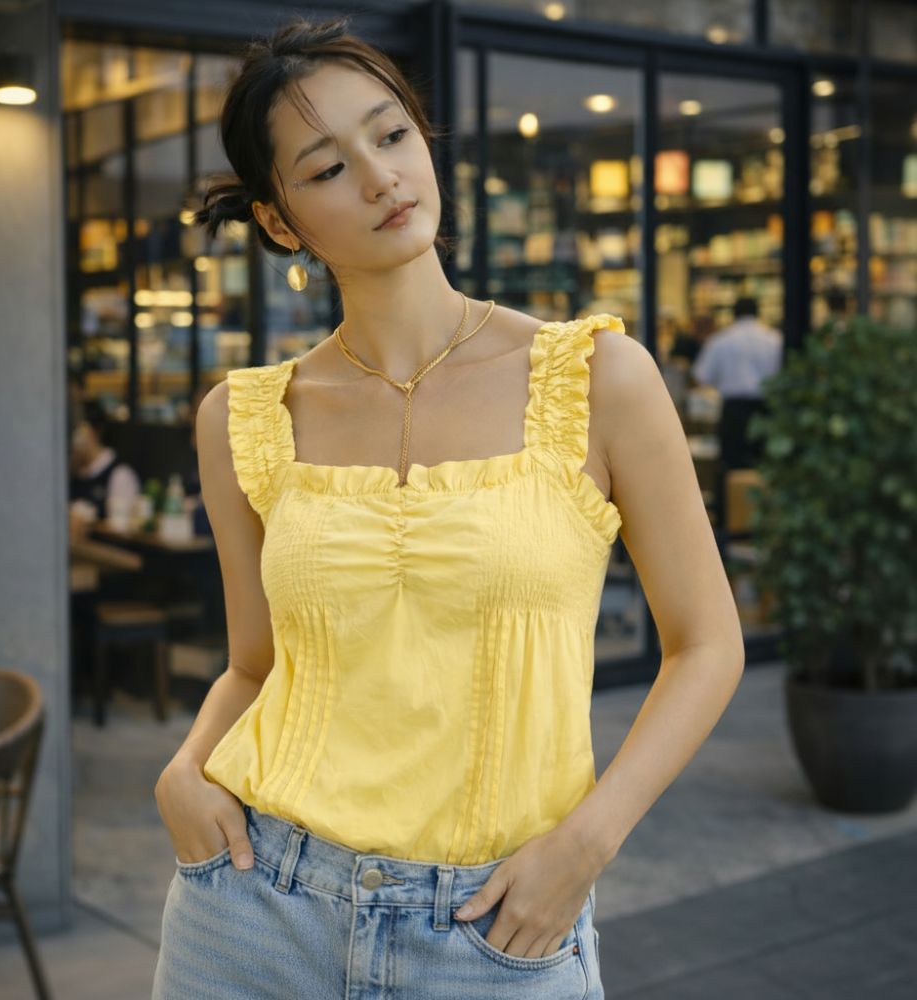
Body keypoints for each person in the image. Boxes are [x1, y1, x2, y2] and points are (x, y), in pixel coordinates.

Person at [152, 17, 744, 1000]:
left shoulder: (598, 377)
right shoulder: (242, 420)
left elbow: (706, 641)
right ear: (279, 221)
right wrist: (183, 767)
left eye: (390, 136)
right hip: (254, 911)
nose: (382, 178)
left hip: (492, 927)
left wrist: (586, 845)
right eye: (327, 167)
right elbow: (254, 664)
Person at [691, 296, 782, 472]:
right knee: (764, 466)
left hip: (733, 411)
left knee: (732, 466)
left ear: (734, 314)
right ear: (758, 313)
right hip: (765, 408)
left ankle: (732, 498)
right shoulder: (774, 339)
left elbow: (701, 376)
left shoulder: (720, 340)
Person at [69, 400, 141, 522]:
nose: (73, 439)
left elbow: (122, 529)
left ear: (97, 430)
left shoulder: (120, 474)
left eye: (77, 430)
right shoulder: (73, 473)